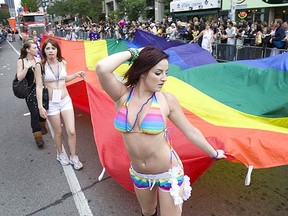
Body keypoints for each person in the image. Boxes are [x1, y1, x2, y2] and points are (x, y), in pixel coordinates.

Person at [95, 46, 226, 216]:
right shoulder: (121, 95)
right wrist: (135, 52)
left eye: (166, 72)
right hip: (139, 173)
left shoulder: (166, 100)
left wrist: (213, 153)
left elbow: (190, 131)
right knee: (147, 212)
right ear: (143, 71)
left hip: (168, 172)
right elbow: (102, 68)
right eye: (158, 73)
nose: (164, 78)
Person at [34, 38, 86, 170]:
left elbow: (64, 79)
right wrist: (40, 106)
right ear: (44, 51)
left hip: (65, 100)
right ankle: (60, 153)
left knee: (72, 131)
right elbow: (39, 87)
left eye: (53, 48)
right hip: (51, 103)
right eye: (47, 48)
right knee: (58, 132)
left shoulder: (63, 62)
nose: (50, 51)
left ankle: (74, 156)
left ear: (57, 50)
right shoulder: (40, 66)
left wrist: (76, 75)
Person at [16, 41, 47, 147]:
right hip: (29, 91)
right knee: (34, 113)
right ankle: (38, 137)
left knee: (43, 109)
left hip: (40, 89)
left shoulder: (38, 60)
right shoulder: (21, 61)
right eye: (34, 47)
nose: (37, 49)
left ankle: (42, 124)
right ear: (28, 50)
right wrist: (26, 68)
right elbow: (19, 77)